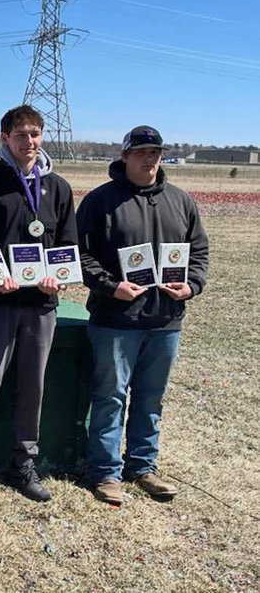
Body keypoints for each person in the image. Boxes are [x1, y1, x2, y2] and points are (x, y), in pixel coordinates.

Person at [77, 125, 208, 506]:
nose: (149, 159)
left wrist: (191, 286)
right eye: (141, 152)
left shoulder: (181, 201)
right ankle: (105, 473)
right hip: (115, 319)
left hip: (165, 320)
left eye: (155, 152)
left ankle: (143, 466)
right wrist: (110, 286)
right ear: (125, 157)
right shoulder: (100, 201)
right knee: (110, 397)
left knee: (151, 398)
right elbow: (80, 255)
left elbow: (198, 252)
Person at [0, 104, 77, 503]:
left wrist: (54, 276)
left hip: (40, 306)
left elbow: (67, 246)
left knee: (33, 387)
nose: (30, 142)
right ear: (4, 137)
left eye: (36, 134)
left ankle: (24, 465)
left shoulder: (57, 187)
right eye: (22, 135)